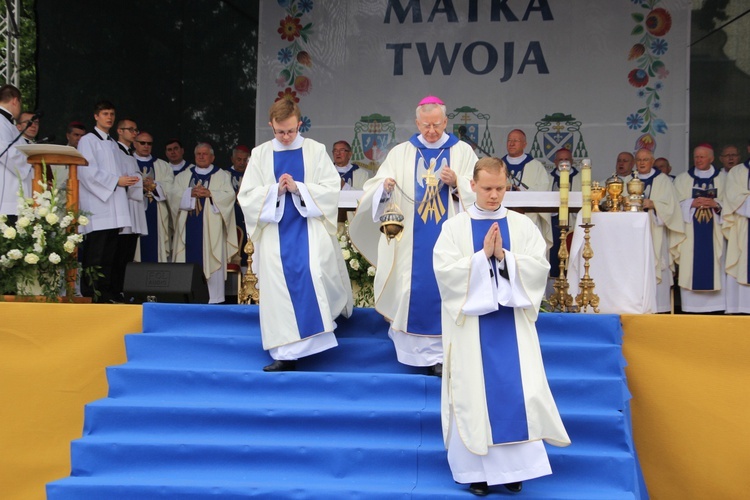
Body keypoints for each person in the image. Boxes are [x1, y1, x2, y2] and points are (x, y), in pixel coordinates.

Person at [433, 156, 570, 496]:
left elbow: (538, 269)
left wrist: (504, 258)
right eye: (488, 188)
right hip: (470, 332)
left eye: (500, 188)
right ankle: (474, 472)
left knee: (515, 392)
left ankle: (514, 469)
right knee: (471, 394)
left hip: (512, 327)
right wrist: (482, 259)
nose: (494, 195)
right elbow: (446, 276)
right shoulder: (454, 228)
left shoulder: (522, 227)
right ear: (473, 186)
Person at [349, 95, 477, 376]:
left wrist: (457, 183)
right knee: (410, 290)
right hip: (410, 242)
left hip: (450, 239)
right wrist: (385, 186)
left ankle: (445, 356)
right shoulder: (401, 153)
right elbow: (374, 188)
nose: (431, 131)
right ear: (417, 122)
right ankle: (415, 355)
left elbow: (478, 189)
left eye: (436, 125)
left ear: (445, 121)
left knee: (447, 290)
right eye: (425, 125)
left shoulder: (463, 152)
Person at [238, 99, 352, 371]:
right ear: (271, 126)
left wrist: (299, 188)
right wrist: (274, 191)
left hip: (308, 229)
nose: (286, 137)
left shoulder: (315, 150)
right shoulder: (261, 154)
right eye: (280, 132)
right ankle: (285, 352)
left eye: (290, 131)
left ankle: (316, 338)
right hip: (275, 232)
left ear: (299, 124)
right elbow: (246, 195)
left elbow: (330, 188)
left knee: (313, 272)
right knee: (277, 288)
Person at [76, 100, 140, 302]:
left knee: (110, 254)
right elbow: (86, 172)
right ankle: (91, 292)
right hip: (98, 206)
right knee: (96, 253)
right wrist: (115, 181)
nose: (109, 117)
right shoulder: (88, 141)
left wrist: (128, 180)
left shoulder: (113, 144)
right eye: (105, 113)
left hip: (115, 205)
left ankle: (107, 291)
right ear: (96, 116)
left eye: (112, 113)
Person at [172, 143, 238, 304]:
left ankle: (213, 299)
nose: (201, 156)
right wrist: (190, 193)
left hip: (211, 231)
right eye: (198, 154)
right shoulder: (183, 176)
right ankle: (185, 297)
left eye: (205, 154)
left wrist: (210, 194)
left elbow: (229, 197)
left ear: (212, 157)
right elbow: (172, 196)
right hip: (188, 228)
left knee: (211, 259)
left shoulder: (222, 176)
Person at [629, 148, 684, 313]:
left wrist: (653, 204)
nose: (642, 163)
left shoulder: (663, 180)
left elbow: (672, 208)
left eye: (645, 160)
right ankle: (636, 304)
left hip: (656, 231)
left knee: (657, 267)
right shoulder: (628, 180)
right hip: (634, 233)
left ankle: (660, 307)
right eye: (639, 160)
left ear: (652, 161)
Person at [674, 144, 727, 313]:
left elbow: (732, 205)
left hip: (715, 232)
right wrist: (691, 203)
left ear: (711, 158)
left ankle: (717, 307)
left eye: (702, 157)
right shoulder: (682, 179)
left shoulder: (724, 179)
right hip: (690, 232)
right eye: (696, 157)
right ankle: (690, 308)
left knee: (717, 264)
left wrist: (716, 204)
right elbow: (674, 206)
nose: (698, 160)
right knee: (690, 262)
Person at [111, 119, 147, 300]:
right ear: (119, 131)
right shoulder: (114, 151)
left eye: (135, 130)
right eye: (130, 130)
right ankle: (115, 290)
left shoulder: (129, 154)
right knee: (118, 254)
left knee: (127, 254)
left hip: (133, 207)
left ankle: (123, 290)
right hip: (122, 206)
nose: (134, 133)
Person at [501, 129, 552, 251]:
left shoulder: (536, 166)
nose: (511, 143)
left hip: (529, 218)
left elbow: (543, 190)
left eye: (516, 141)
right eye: (509, 140)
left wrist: (521, 192)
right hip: (503, 218)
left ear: (524, 144)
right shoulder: (498, 165)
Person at [133, 131, 175, 263]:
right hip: (135, 210)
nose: (146, 146)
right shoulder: (127, 161)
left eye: (149, 143)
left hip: (156, 213)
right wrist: (140, 185)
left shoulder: (163, 165)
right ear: (134, 143)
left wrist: (154, 185)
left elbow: (171, 187)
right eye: (142, 143)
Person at [722, 152, 750, 314]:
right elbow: (733, 198)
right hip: (742, 226)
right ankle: (740, 307)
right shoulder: (737, 172)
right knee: (740, 261)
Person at [0, 84, 32, 222]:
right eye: (20, 102)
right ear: (15, 100)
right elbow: (6, 152)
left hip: (14, 196)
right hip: (6, 196)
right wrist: (31, 163)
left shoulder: (9, 124)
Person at [548, 147, 580, 280]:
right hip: (553, 222)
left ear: (572, 161)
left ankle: (572, 283)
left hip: (573, 222)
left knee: (572, 252)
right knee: (553, 252)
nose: (564, 162)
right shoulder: (549, 178)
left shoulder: (579, 178)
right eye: (560, 159)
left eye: (566, 159)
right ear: (555, 162)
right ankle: (554, 284)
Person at [228, 145, 250, 268]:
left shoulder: (252, 175)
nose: (242, 163)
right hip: (232, 217)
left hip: (248, 217)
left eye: (245, 160)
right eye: (239, 159)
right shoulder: (224, 175)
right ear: (232, 159)